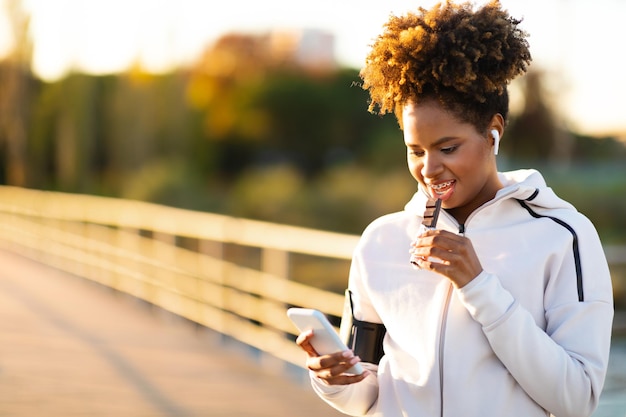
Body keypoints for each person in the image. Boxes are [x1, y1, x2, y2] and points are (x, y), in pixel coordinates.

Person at [295, 1, 614, 416]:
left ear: (493, 133)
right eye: (415, 150)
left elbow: (577, 398)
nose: (428, 168)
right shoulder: (382, 240)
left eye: (448, 148)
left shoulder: (564, 236)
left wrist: (479, 286)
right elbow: (364, 394)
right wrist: (334, 381)